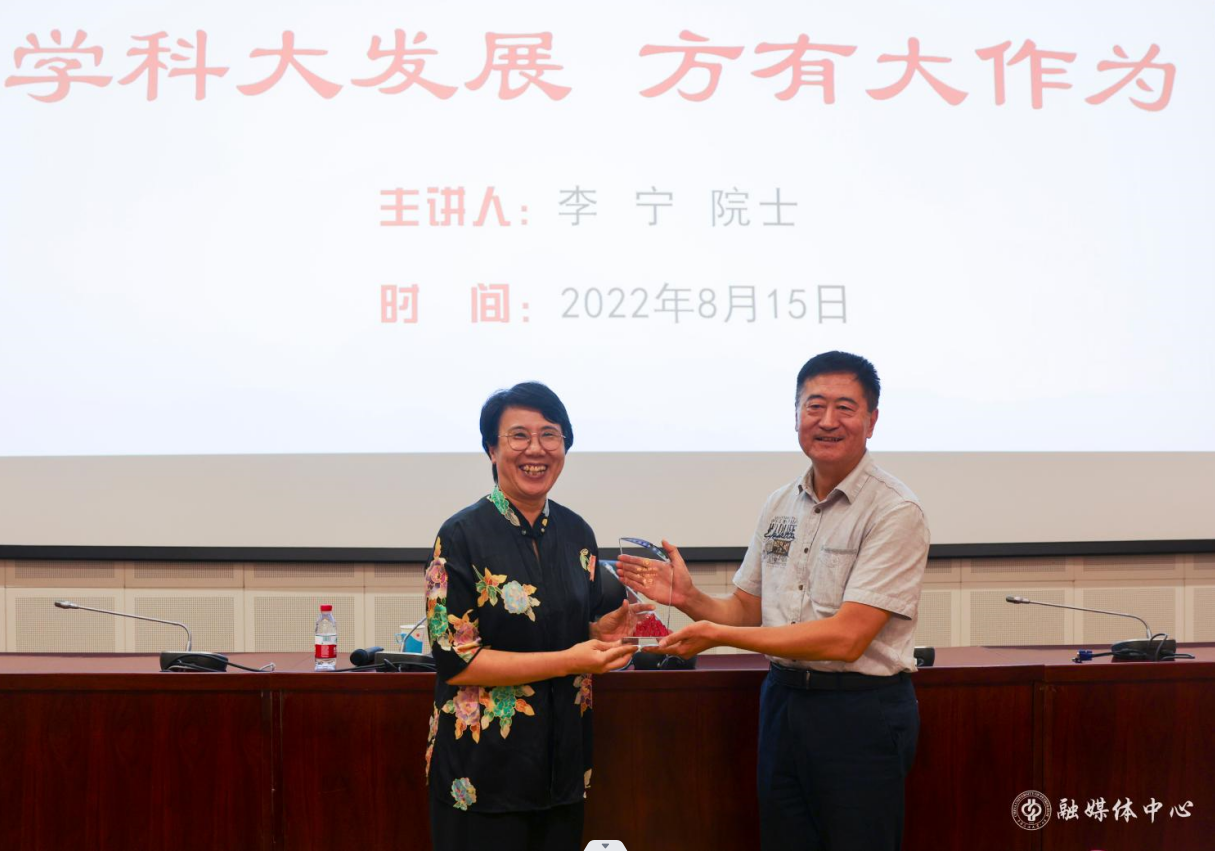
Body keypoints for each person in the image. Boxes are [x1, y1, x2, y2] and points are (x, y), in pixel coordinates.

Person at [615, 351, 929, 851]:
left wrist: (718, 636)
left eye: (845, 408)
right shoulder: (780, 504)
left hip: (860, 712)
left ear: (872, 421)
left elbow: (847, 639)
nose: (827, 420)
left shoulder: (895, 510)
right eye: (814, 406)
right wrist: (689, 598)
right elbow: (747, 609)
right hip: (783, 702)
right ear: (797, 415)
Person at [424, 381, 642, 851]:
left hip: (561, 769)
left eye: (550, 435)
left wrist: (600, 633)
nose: (536, 450)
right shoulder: (460, 535)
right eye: (519, 436)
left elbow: (562, 632)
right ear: (491, 449)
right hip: (481, 775)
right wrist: (572, 659)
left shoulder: (578, 533)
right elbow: (457, 661)